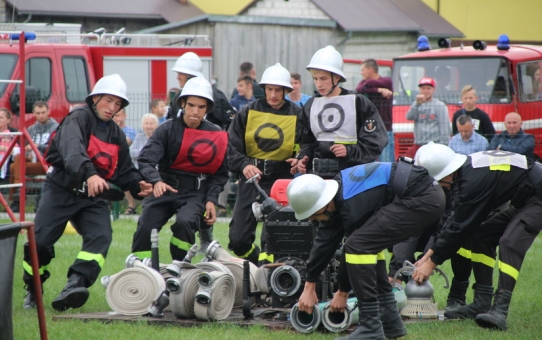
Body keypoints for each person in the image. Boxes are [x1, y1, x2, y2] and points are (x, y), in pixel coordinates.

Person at [21, 74, 153, 311]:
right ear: (95, 98)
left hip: (93, 197)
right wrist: (90, 174)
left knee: (101, 237)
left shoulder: (116, 135)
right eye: (108, 101)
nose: (112, 108)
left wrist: (138, 185)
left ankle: (75, 284)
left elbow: (124, 171)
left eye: (118, 104)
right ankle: (33, 287)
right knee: (38, 243)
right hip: (61, 189)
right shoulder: (78, 118)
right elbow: (73, 151)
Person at [288, 161, 445, 339]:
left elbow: (351, 248)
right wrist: (310, 284)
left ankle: (370, 327)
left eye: (313, 214)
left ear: (323, 203)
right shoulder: (341, 192)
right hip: (423, 194)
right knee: (365, 244)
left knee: (358, 245)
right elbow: (325, 241)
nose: (312, 219)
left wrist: (342, 291)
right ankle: (390, 321)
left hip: (422, 198)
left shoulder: (352, 205)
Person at [413, 143, 542, 331]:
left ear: (447, 173)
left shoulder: (473, 183)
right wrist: (428, 255)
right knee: (480, 236)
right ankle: (482, 301)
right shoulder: (467, 170)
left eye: (439, 180)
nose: (440, 185)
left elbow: (460, 228)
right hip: (527, 197)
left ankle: (500, 309)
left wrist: (432, 263)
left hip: (538, 197)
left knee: (509, 242)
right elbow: (454, 220)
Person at [131, 77, 228, 262]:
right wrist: (156, 180)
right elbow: (145, 159)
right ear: (182, 103)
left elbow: (220, 174)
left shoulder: (216, 134)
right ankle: (140, 271)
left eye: (201, 107)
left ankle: (180, 267)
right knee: (145, 226)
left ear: (207, 108)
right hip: (164, 187)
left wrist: (211, 199)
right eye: (191, 105)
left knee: (185, 223)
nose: (195, 111)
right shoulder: (166, 130)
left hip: (195, 192)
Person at [227, 63, 302, 265]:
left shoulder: (298, 114)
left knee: (273, 239)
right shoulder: (246, 112)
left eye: (278, 90)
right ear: (264, 89)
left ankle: (267, 275)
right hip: (251, 180)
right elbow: (231, 147)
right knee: (238, 241)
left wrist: (301, 158)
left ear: (287, 90)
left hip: (282, 182)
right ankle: (256, 262)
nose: (273, 95)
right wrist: (244, 165)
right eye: (269, 89)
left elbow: (308, 145)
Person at [296, 46, 388, 181]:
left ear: (337, 77)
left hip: (351, 177)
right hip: (317, 178)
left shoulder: (358, 102)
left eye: (323, 78)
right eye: (315, 79)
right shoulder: (310, 105)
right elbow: (306, 142)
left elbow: (376, 141)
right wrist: (303, 157)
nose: (319, 84)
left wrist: (350, 151)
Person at [9, 101, 59, 211]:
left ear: (48, 111)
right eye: (38, 113)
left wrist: (37, 146)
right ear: (33, 113)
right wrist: (28, 153)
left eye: (43, 112)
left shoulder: (56, 128)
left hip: (46, 163)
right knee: (17, 159)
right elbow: (25, 148)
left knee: (14, 168)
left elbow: (55, 150)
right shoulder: (31, 129)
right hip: (33, 160)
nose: (41, 116)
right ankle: (18, 191)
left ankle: (17, 200)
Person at [167, 52, 235, 130]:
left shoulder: (216, 96)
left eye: (180, 73)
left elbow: (230, 123)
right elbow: (171, 124)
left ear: (189, 75)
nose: (177, 77)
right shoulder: (178, 97)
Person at [355, 59, 394, 162]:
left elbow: (366, 85)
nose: (361, 73)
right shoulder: (365, 83)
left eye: (363, 70)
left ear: (371, 70)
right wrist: (379, 90)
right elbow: (359, 88)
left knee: (386, 158)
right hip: (370, 127)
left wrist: (369, 86)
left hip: (385, 126)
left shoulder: (387, 81)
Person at [405, 76, 451, 157]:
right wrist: (417, 104)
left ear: (433, 90)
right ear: (419, 89)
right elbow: (409, 117)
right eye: (423, 88)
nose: (425, 91)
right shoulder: (416, 104)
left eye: (428, 88)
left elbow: (444, 128)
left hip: (434, 145)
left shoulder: (439, 105)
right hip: (419, 144)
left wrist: (442, 146)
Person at [113, 108, 138, 214]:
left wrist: (116, 129)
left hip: (124, 162)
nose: (115, 118)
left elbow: (126, 143)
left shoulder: (130, 130)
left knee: (126, 178)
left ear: (124, 116)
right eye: (113, 116)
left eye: (118, 115)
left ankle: (131, 206)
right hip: (110, 162)